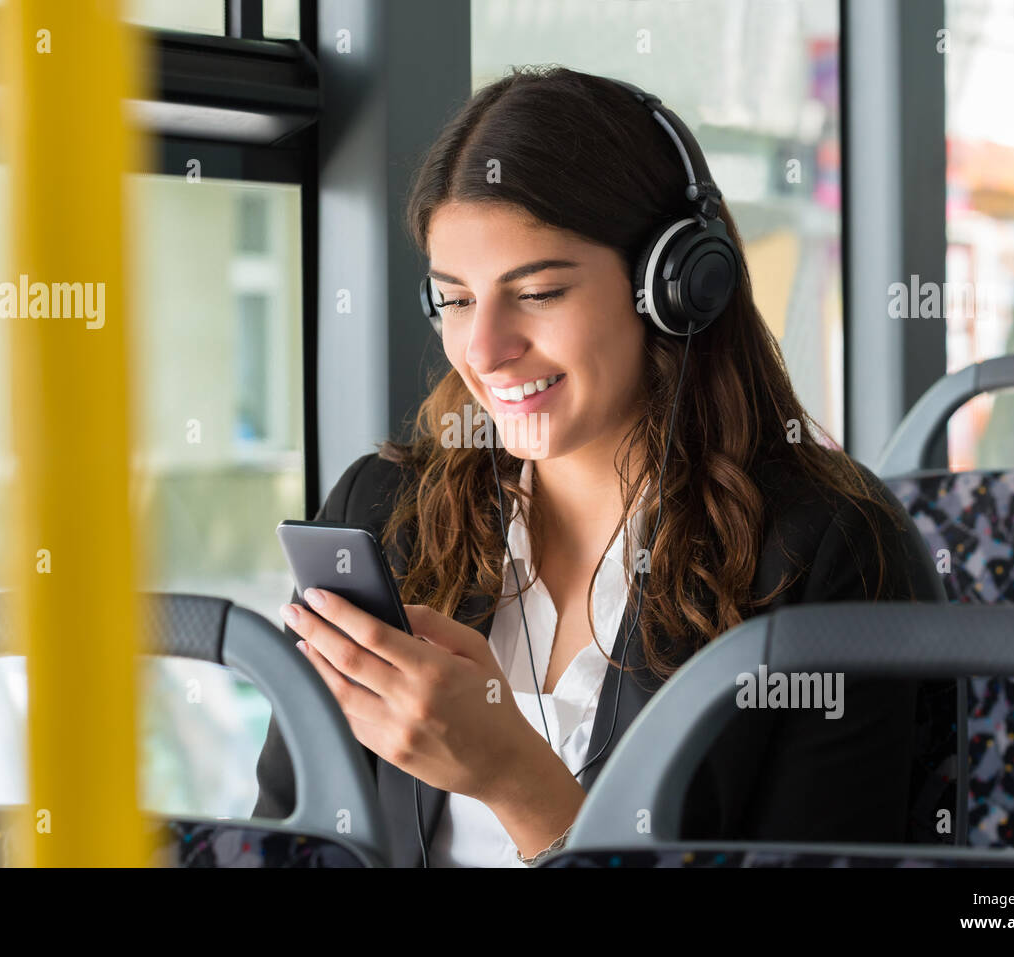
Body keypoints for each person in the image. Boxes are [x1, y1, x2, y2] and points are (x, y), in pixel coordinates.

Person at [253, 65, 943, 867]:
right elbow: (285, 839)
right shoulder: (380, 512)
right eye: (456, 298)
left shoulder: (830, 554)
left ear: (678, 287)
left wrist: (517, 780)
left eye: (538, 291)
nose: (484, 349)